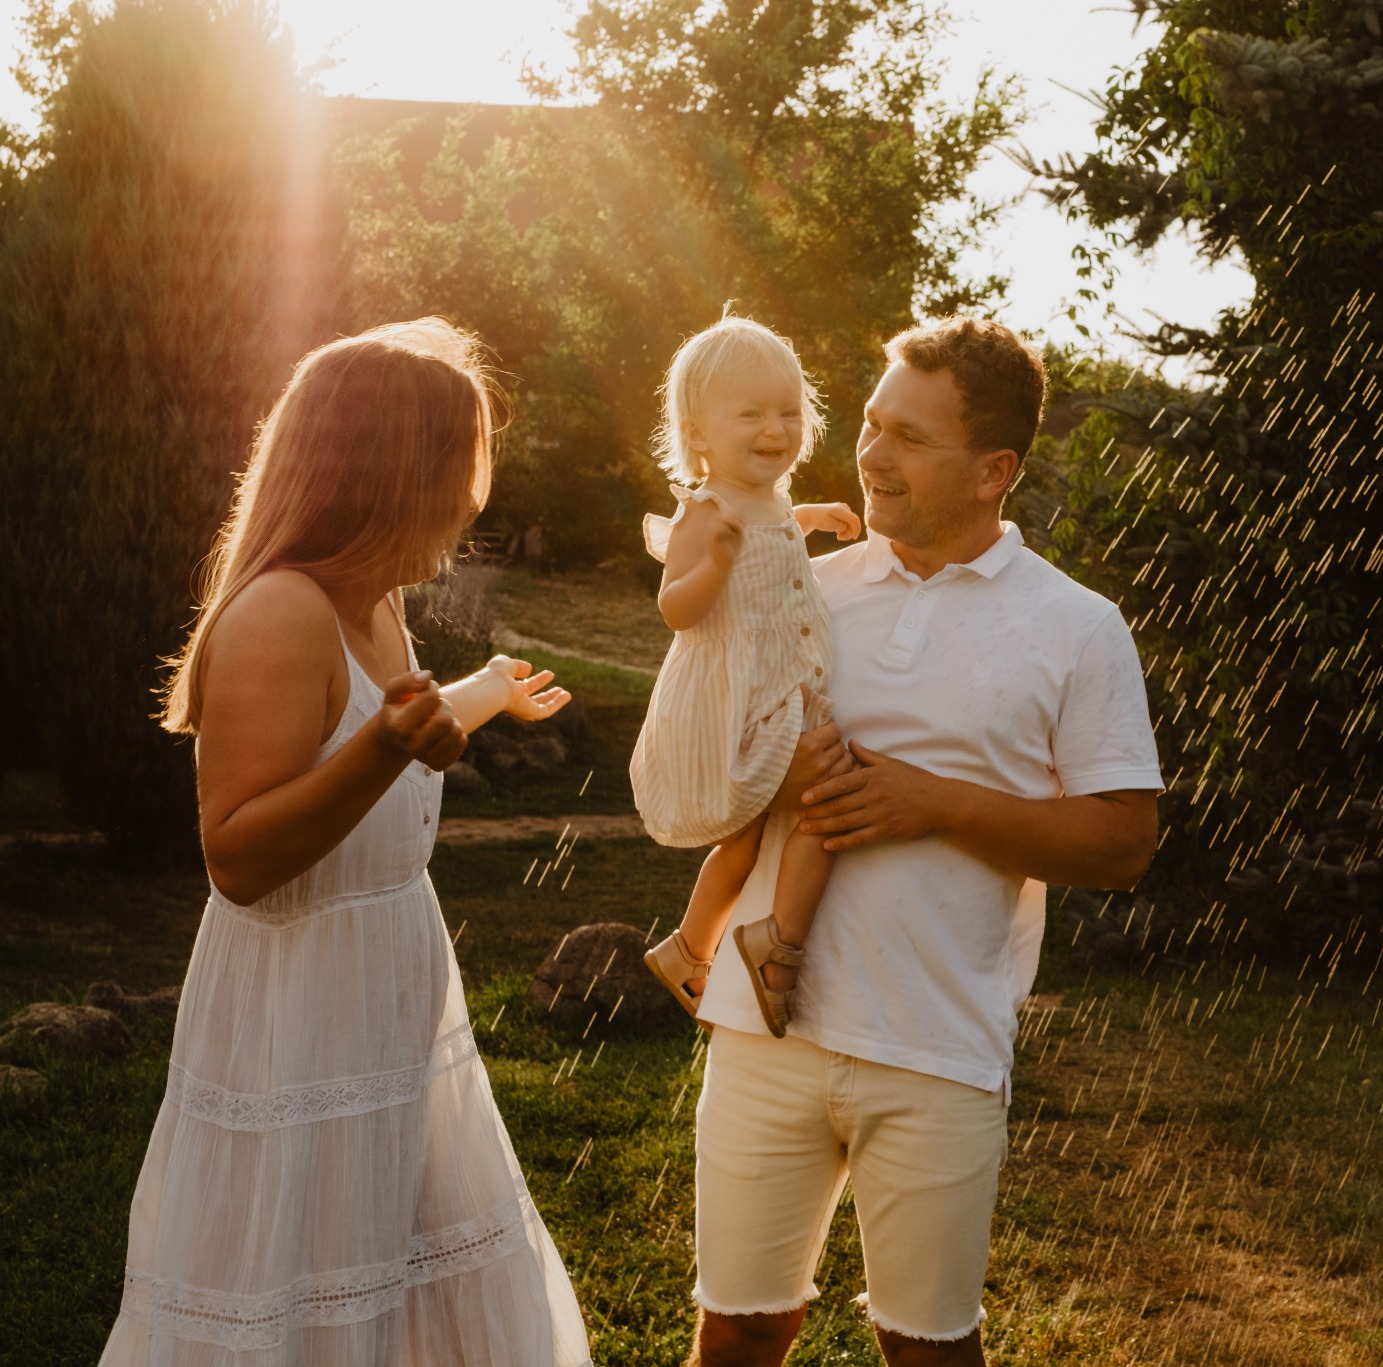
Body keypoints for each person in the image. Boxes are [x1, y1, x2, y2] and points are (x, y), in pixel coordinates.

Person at [103, 319, 592, 1366]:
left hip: (388, 984)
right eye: (453, 469)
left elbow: (393, 719)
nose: (469, 499)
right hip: (300, 1012)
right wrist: (382, 747)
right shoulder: (282, 613)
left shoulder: (374, 601)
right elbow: (237, 859)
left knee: (395, 1278)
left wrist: (482, 693)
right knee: (306, 1292)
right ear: (384, 472)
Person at [686, 317, 1164, 1367]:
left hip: (936, 1043)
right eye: (867, 423)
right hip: (766, 1032)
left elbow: (1123, 841)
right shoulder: (803, 583)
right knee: (739, 1329)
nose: (869, 453)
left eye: (907, 436)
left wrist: (933, 802)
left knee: (929, 1347)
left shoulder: (1077, 626)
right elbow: (710, 757)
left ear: (994, 468)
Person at [633, 313, 863, 1034]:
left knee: (774, 828)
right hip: (742, 697)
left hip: (781, 688)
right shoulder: (704, 513)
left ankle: (692, 947)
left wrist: (814, 515)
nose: (776, 428)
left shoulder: (769, 501)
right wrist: (715, 565)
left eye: (789, 412)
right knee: (816, 809)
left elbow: (780, 524)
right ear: (698, 434)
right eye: (752, 414)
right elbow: (675, 608)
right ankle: (772, 946)